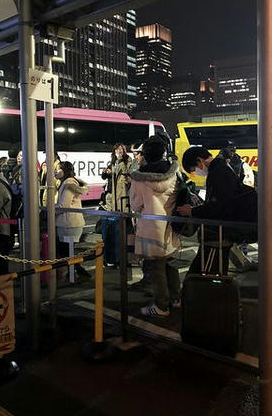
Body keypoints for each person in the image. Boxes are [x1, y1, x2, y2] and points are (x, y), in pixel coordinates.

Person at [176, 146, 257, 276]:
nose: (196, 173)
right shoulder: (220, 169)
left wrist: (193, 211)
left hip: (218, 236)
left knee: (207, 274)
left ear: (199, 161)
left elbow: (221, 206)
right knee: (212, 273)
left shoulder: (219, 172)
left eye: (194, 170)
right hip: (220, 234)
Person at [129, 136, 180, 317]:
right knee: (169, 264)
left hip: (150, 227)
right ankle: (175, 298)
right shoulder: (173, 173)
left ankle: (161, 306)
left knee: (157, 268)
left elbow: (135, 204)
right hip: (170, 224)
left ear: (146, 155)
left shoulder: (139, 178)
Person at [55, 161, 90, 279]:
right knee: (66, 251)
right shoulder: (67, 182)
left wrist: (49, 210)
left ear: (65, 170)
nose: (56, 171)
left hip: (69, 223)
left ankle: (76, 273)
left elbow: (64, 205)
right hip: (69, 223)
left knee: (66, 251)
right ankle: (76, 272)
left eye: (58, 169)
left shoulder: (69, 183)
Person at [101, 143, 132, 212]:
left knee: (123, 211)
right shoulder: (113, 163)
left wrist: (120, 159)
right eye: (117, 149)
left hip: (122, 191)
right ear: (114, 151)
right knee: (114, 214)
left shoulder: (127, 160)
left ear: (124, 150)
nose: (119, 151)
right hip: (111, 192)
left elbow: (126, 171)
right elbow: (103, 177)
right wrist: (106, 172)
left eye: (121, 149)